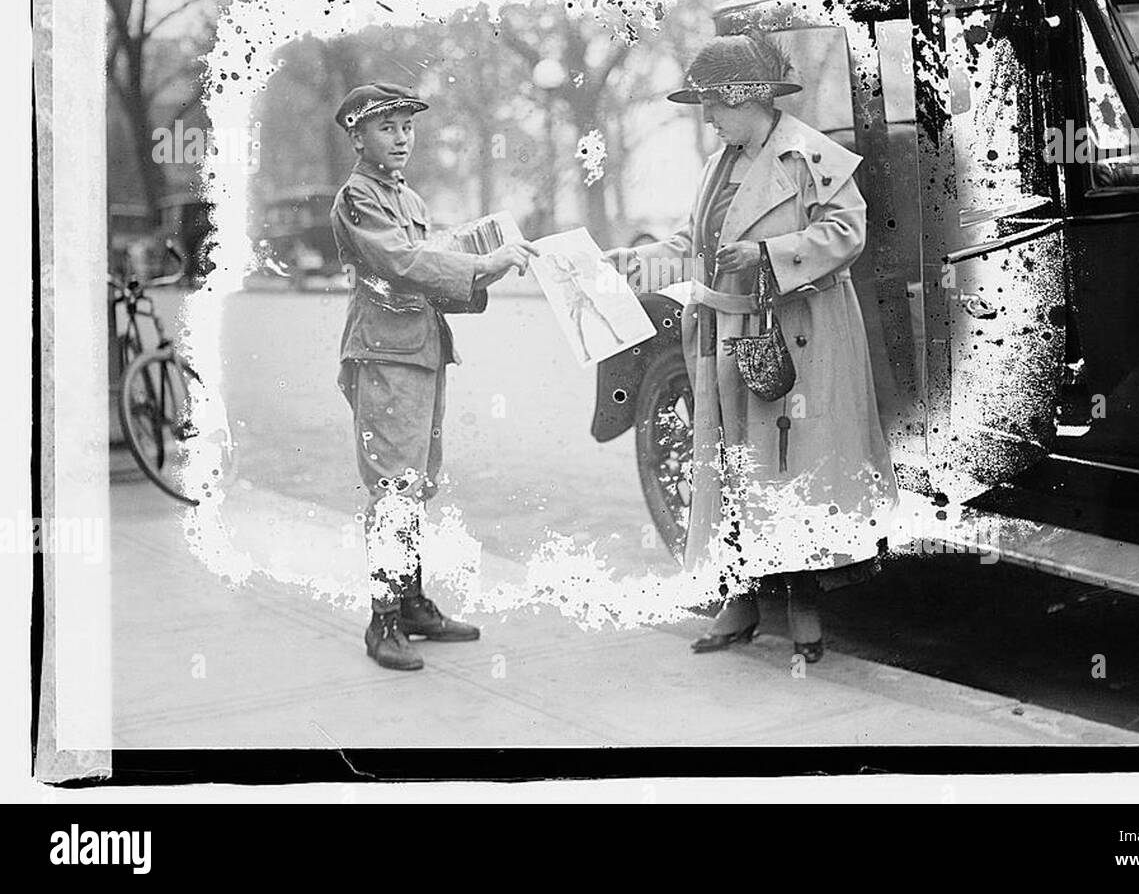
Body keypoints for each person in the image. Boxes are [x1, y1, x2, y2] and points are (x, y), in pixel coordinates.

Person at [606, 34, 899, 664]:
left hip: (801, 335)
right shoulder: (721, 165)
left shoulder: (812, 158)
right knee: (736, 471)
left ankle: (802, 612)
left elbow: (849, 233)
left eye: (713, 105)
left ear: (747, 99)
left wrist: (768, 256)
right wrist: (631, 263)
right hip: (732, 336)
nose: (707, 119)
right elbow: (692, 245)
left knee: (791, 469)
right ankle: (738, 600)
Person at [330, 82, 537, 671]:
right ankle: (384, 621)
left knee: (414, 485)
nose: (400, 138)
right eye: (386, 127)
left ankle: (413, 603)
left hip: (419, 350)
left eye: (407, 127)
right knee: (393, 489)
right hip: (386, 354)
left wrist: (489, 263)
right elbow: (401, 262)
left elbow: (429, 268)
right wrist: (479, 263)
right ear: (357, 135)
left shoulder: (407, 198)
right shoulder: (358, 198)